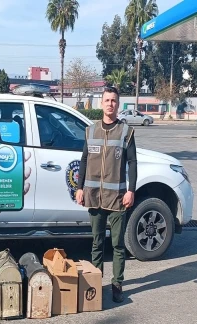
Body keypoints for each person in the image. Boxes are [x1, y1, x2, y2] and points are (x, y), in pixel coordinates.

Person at [75, 86, 137, 303]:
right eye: (107, 100)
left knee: (118, 244)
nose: (110, 104)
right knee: (96, 243)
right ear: (101, 103)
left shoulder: (126, 132)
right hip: (94, 196)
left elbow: (132, 162)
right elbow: (83, 160)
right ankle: (95, 282)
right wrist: (80, 187)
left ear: (118, 105)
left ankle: (117, 283)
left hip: (118, 197)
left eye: (114, 101)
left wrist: (131, 190)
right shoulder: (90, 131)